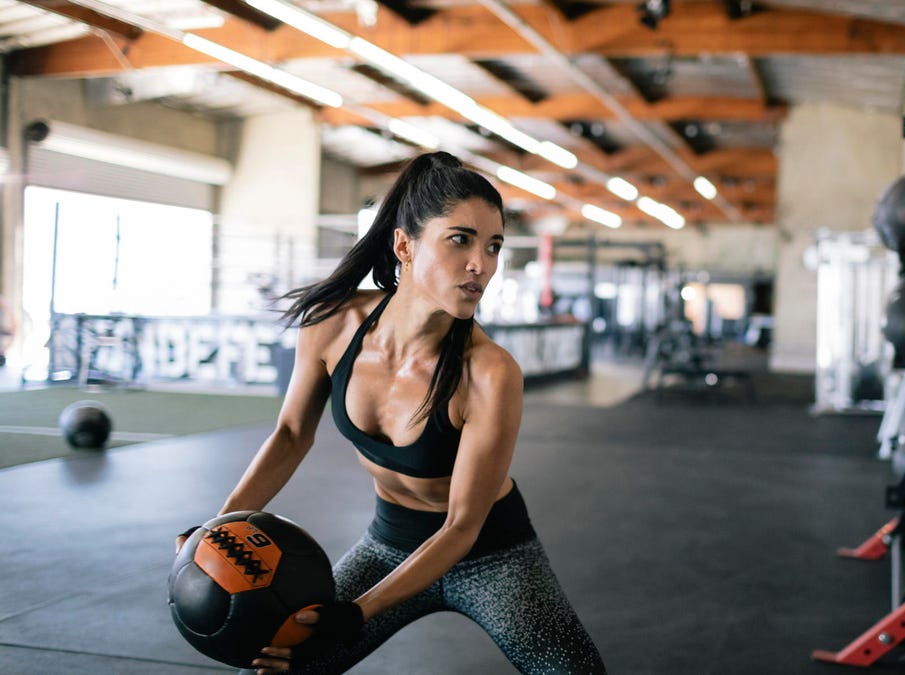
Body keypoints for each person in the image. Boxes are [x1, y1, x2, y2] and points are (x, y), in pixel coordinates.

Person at [178, 151, 606, 675]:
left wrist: (356, 613)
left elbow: (461, 527)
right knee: (276, 668)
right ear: (404, 244)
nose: (483, 264)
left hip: (492, 555)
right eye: (460, 239)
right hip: (389, 545)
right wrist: (216, 531)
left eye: (493, 246)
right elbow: (290, 434)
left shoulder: (490, 373)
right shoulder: (333, 323)